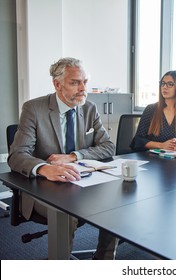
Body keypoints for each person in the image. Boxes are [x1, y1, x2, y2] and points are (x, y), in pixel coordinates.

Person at [8, 57, 118, 260]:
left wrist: (74, 156)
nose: (83, 88)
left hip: (82, 183)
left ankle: (103, 261)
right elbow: (17, 155)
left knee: (117, 201)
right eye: (75, 82)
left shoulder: (89, 108)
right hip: (44, 189)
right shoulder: (34, 109)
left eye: (85, 81)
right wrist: (43, 168)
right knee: (66, 211)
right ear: (57, 84)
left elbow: (108, 147)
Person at [130, 70, 176, 151]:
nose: (164, 87)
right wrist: (162, 145)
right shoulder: (151, 109)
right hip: (152, 158)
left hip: (175, 158)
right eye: (163, 83)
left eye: (170, 84)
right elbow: (139, 140)